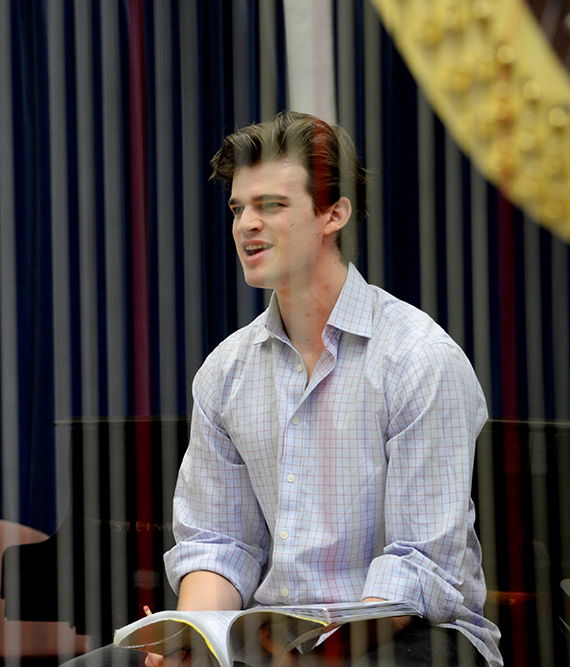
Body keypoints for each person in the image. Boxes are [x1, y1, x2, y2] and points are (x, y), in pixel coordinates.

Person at [69, 111, 502, 667]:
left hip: (408, 636)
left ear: (334, 214)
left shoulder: (420, 359)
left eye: (270, 205)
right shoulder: (225, 371)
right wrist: (194, 637)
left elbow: (419, 564)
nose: (246, 223)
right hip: (271, 644)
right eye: (238, 208)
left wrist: (317, 652)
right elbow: (219, 541)